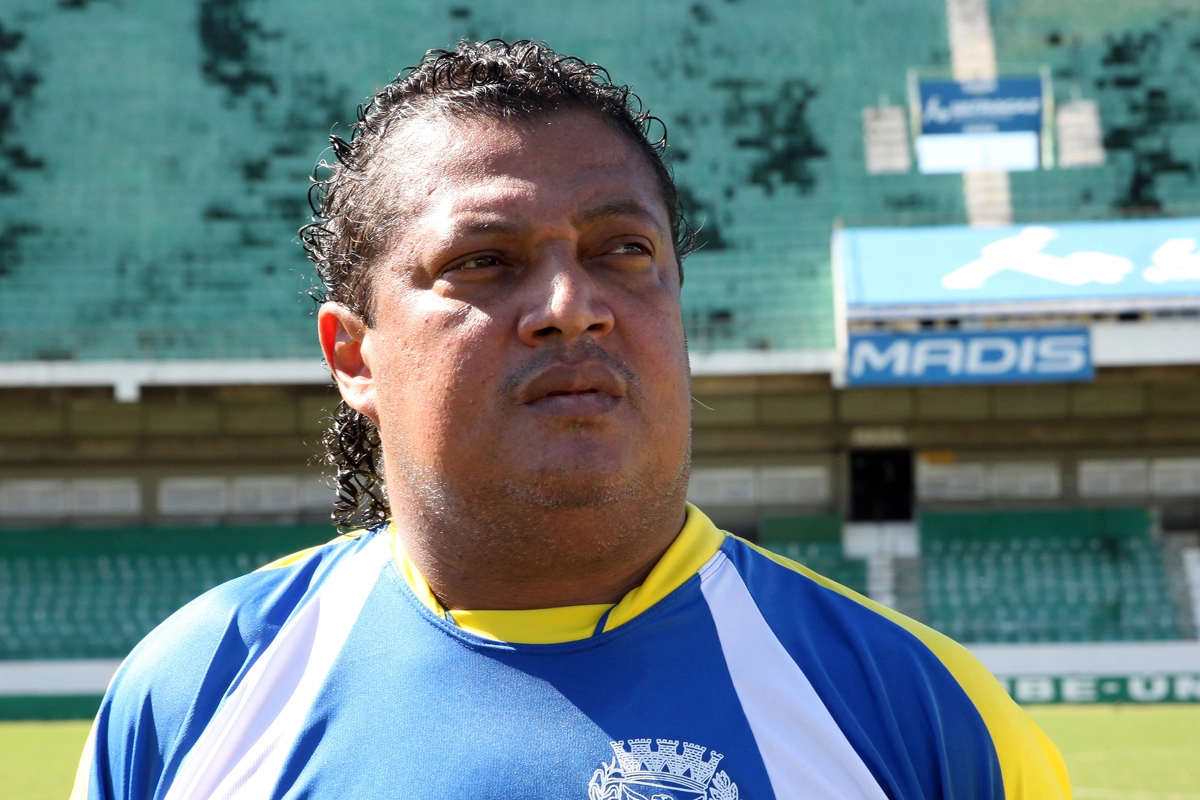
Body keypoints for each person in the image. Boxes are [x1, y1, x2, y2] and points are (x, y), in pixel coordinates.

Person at [72, 40, 1071, 800]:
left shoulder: (924, 714)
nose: (570, 302)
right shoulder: (194, 696)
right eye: (485, 261)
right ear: (351, 354)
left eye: (623, 250)